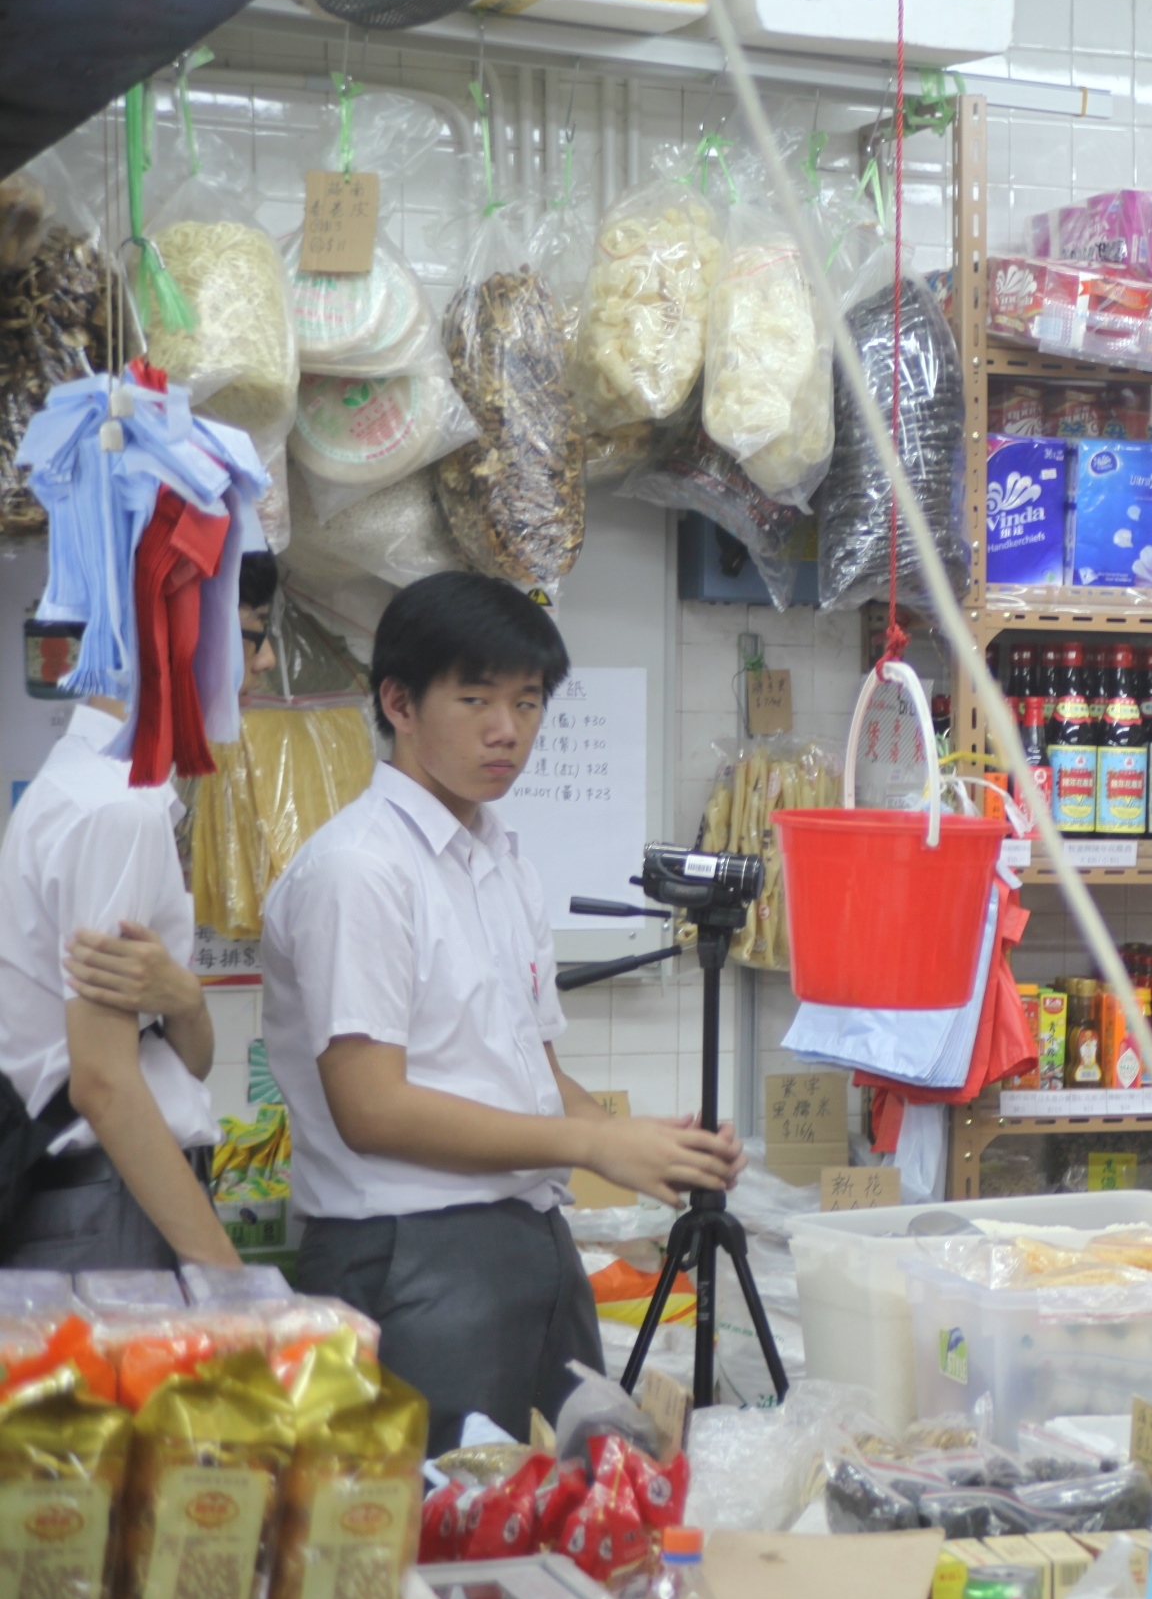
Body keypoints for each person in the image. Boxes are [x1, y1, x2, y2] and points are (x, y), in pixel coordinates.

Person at [262, 571, 740, 1450]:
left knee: (574, 1520)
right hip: (407, 1257)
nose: (506, 730)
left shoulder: (499, 859)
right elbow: (372, 1108)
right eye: (475, 697)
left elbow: (531, 1069)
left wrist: (652, 1148)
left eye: (527, 702)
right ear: (398, 702)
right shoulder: (359, 870)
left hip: (530, 1243)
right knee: (441, 1541)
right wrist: (593, 1143)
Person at [0, 553, 281, 1272]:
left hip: (117, 1196)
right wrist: (228, 1280)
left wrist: (185, 1001)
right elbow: (102, 1079)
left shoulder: (110, 793)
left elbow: (176, 1063)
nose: (265, 661)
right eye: (251, 635)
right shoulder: (113, 809)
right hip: (105, 1206)